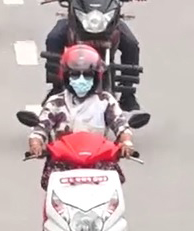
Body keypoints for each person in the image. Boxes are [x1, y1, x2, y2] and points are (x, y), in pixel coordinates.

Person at [26, 44, 137, 182]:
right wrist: (36, 144)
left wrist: (126, 142)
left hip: (100, 165)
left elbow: (121, 125)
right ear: (66, 76)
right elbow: (40, 129)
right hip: (63, 166)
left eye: (88, 75)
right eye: (75, 75)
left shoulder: (106, 101)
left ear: (97, 77)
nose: (81, 80)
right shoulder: (55, 103)